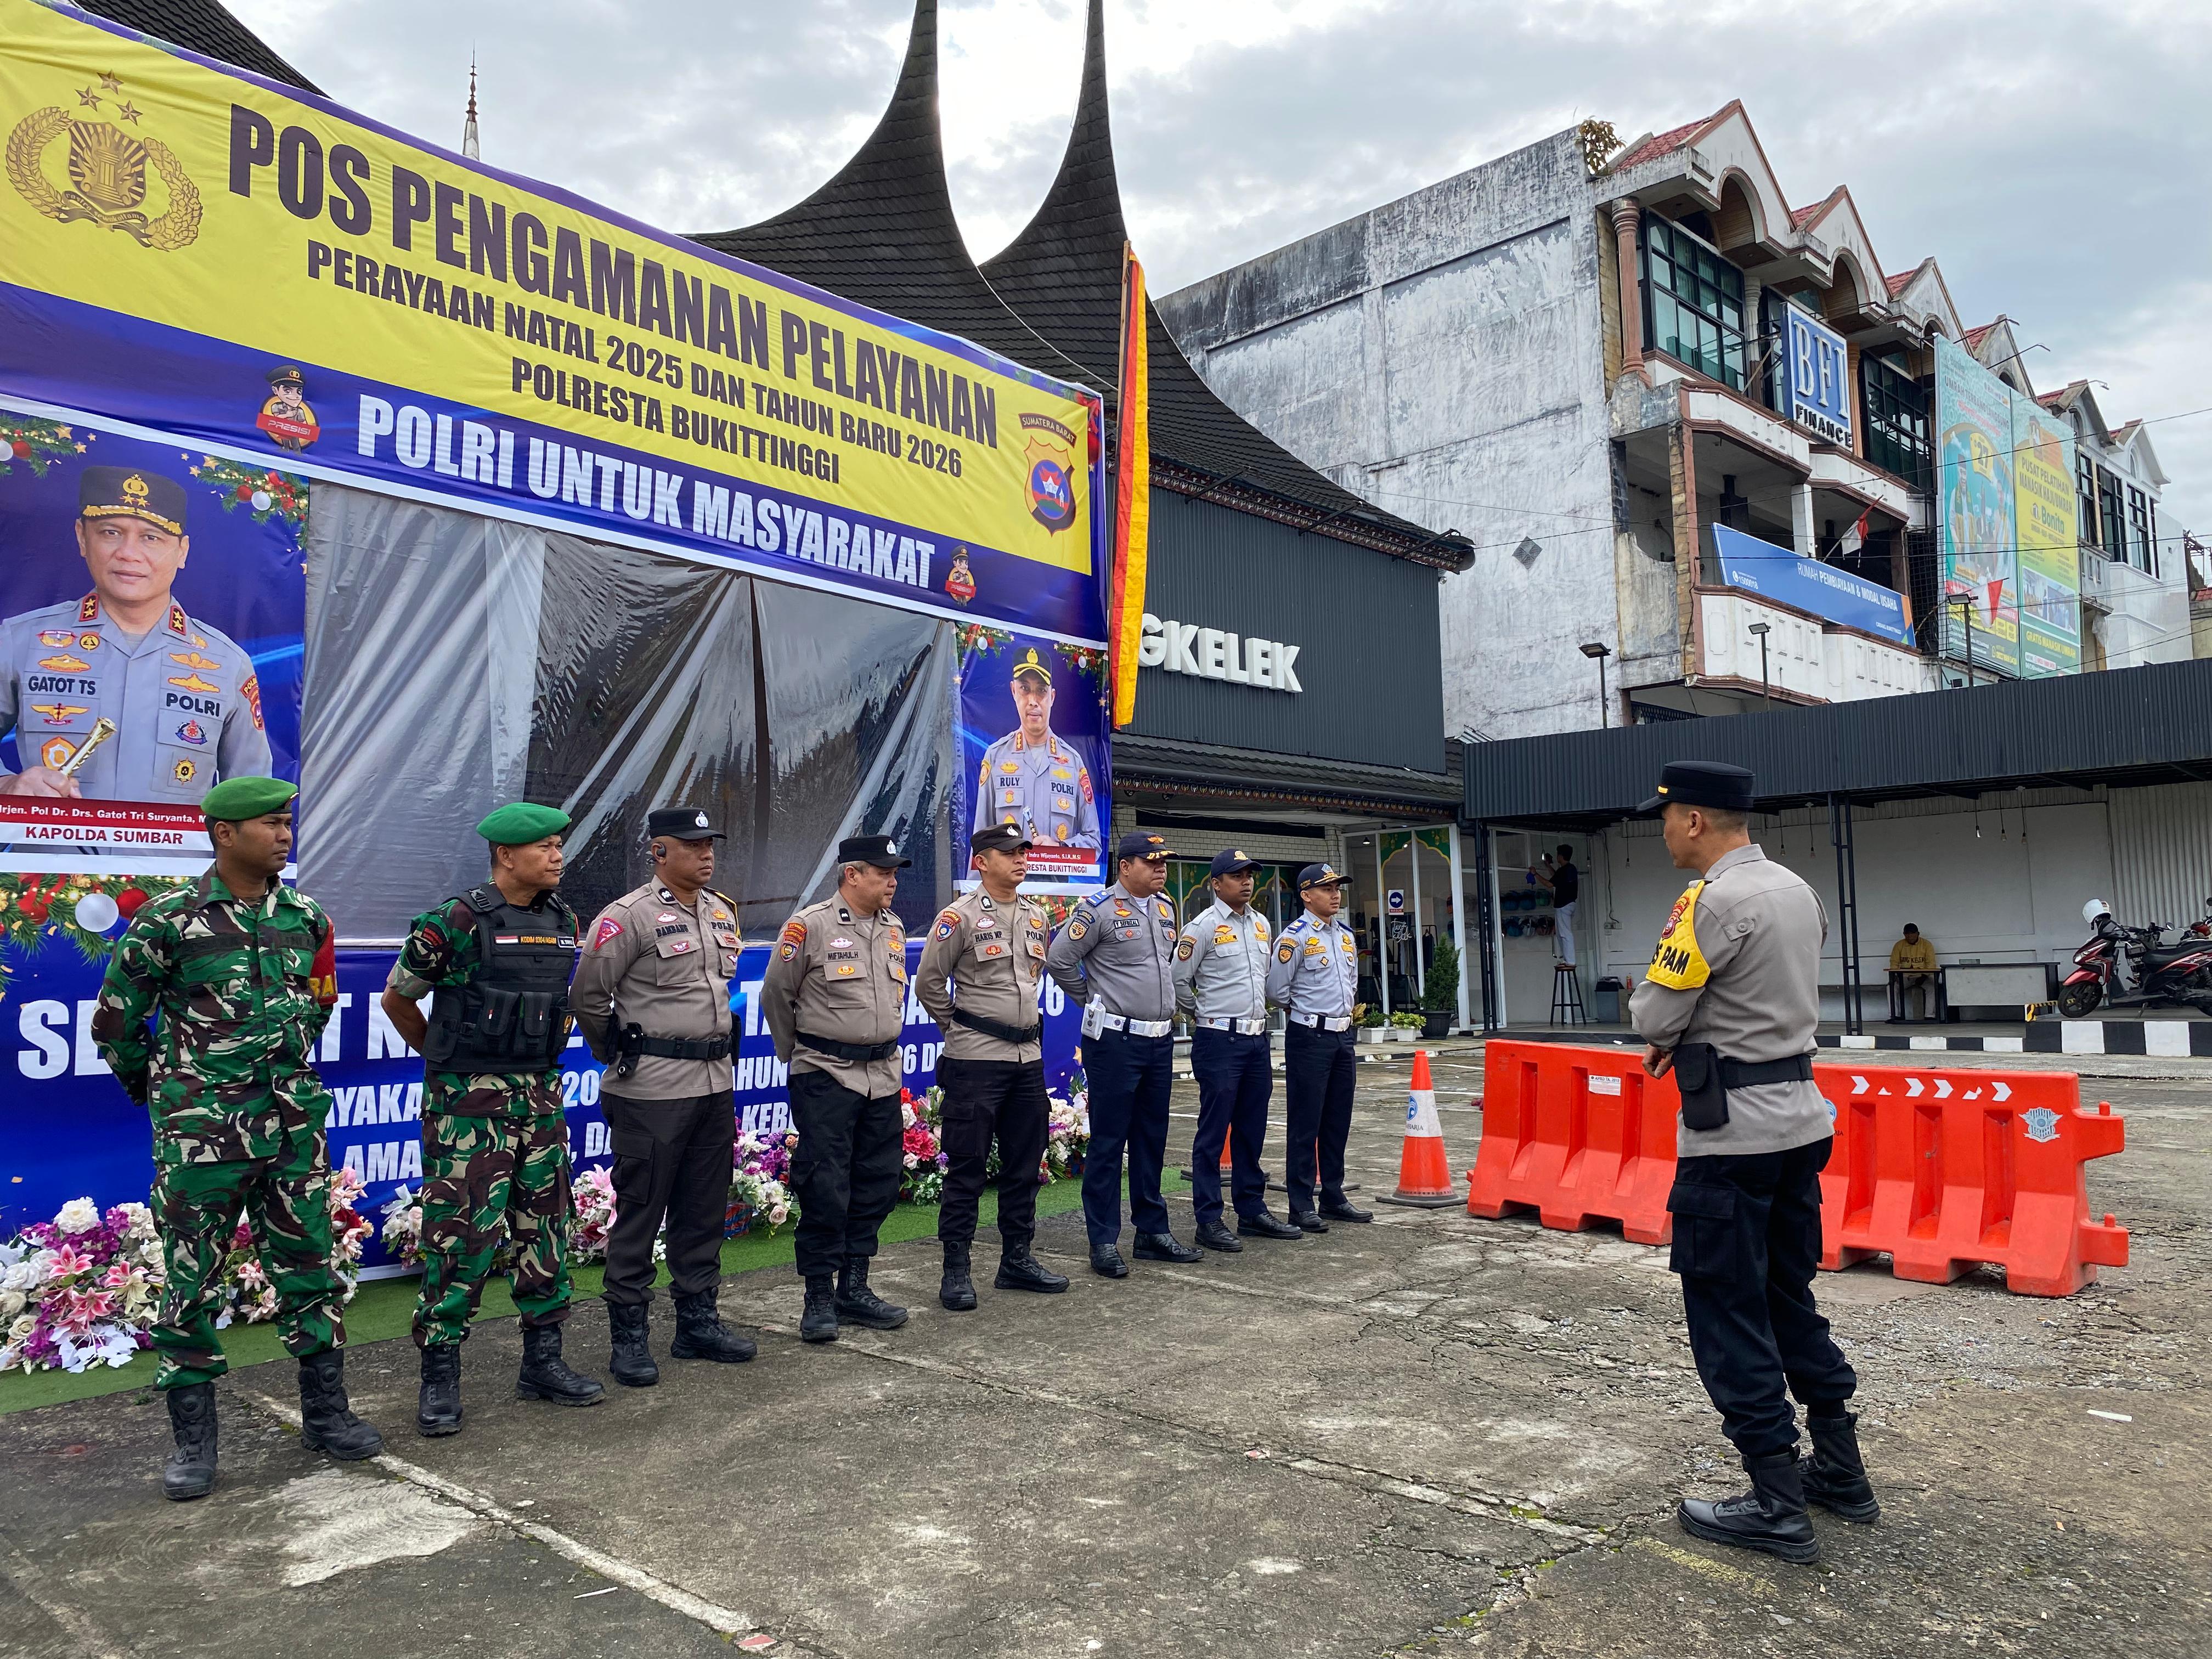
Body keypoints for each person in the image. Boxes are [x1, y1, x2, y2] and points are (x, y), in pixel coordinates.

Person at [91, 776, 381, 1500]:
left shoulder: (307, 917)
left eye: (288, 823)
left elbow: (319, 1002)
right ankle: (194, 1441)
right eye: (271, 824)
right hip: (203, 1137)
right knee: (190, 1284)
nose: (285, 835)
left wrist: (283, 1066)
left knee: (310, 1269)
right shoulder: (169, 921)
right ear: (224, 833)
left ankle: (327, 1415)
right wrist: (164, 1091)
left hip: (290, 1131)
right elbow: (118, 1022)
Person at [1629, 761, 1875, 1564]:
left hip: (1730, 1137)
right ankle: (1839, 1469)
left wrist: (1677, 1033)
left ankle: (1775, 1501)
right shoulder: (1797, 890)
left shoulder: (1713, 902)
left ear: (1694, 821)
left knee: (1729, 1315)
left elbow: (1652, 1015)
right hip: (1800, 1122)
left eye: (1666, 818)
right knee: (1785, 1298)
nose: (1662, 830)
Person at [380, 802, 602, 1436]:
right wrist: (446, 1062)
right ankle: (441, 1376)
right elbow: (398, 997)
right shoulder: (453, 921)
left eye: (560, 845)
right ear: (507, 856)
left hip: (538, 1098)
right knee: (461, 1238)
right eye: (546, 847)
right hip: (467, 1111)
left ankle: (543, 1363)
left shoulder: (564, 920)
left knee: (547, 1227)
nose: (558, 855)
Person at [569, 806, 756, 1386]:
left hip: (713, 1083)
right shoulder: (627, 918)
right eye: (693, 845)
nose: (706, 854)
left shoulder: (723, 913)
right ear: (659, 853)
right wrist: (624, 1055)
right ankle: (629, 1338)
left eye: (711, 845)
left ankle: (696, 1324)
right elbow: (588, 999)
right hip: (650, 1089)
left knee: (703, 1210)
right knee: (642, 1211)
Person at [0, 466, 271, 801]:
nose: (129, 553)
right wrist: (6, 785)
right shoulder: (20, 640)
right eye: (111, 532)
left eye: (151, 537)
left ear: (182, 552)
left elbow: (251, 796)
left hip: (173, 855)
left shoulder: (228, 664)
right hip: (48, 852)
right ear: (83, 538)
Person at [759, 834, 913, 1343]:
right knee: (825, 1187)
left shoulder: (893, 928)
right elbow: (777, 996)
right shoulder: (810, 926)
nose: (893, 880)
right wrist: (800, 1057)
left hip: (882, 1076)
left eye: (894, 872)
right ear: (852, 875)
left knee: (879, 1182)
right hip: (826, 1074)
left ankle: (855, 1288)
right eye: (883, 871)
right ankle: (819, 1297)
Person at [915, 821, 1070, 1310]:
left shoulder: (1035, 916)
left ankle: (1016, 1260)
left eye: (1023, 850)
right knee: (967, 1169)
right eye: (1008, 852)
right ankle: (956, 1270)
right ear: (982, 861)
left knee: (1026, 1166)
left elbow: (1032, 976)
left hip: (1028, 1060)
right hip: (977, 1063)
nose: (1021, 858)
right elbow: (929, 984)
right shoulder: (958, 918)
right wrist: (960, 1031)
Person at [1047, 831, 1187, 1270]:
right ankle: (1103, 1240)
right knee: (1109, 1141)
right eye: (1152, 861)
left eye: (1164, 861)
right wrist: (1091, 1000)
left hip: (1159, 1039)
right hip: (1115, 1041)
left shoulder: (1166, 909)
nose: (1161, 868)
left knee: (1152, 1138)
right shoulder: (1098, 910)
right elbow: (1059, 959)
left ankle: (1153, 1231)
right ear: (1125, 867)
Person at [1173, 850, 1302, 1247]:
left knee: (1251, 1128)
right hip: (1219, 1040)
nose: (1246, 882)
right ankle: (1208, 1219)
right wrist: (1202, 1016)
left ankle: (1251, 1210)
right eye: (1236, 875)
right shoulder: (1203, 927)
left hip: (1256, 1040)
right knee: (1213, 1132)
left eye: (1250, 875)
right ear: (1216, 883)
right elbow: (1178, 981)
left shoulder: (1262, 925)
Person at [1267, 863, 1372, 1228]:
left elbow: (1350, 984)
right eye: (1327, 888)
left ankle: (1333, 1194)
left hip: (1343, 1037)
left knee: (1337, 1119)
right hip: (1309, 1036)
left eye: (1338, 887)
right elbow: (1276, 990)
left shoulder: (1344, 935)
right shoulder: (1293, 937)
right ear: (1307, 895)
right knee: (1305, 1121)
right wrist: (1309, 1013)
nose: (1335, 894)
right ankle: (1301, 1203)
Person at [970, 647, 1099, 852]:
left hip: (1056, 883)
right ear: (1013, 691)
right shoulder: (996, 757)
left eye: (1041, 690)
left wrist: (1059, 847)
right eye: (1025, 689)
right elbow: (980, 841)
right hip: (1008, 884)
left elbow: (1094, 842)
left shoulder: (1073, 762)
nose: (1033, 701)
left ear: (1052, 697)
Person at [1533, 844, 1580, 967]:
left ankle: (1570, 961)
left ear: (1561, 856)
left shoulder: (1565, 870)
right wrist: (1548, 865)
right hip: (1569, 904)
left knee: (1565, 933)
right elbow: (1556, 878)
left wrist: (1535, 874)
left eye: (1558, 854)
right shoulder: (1570, 869)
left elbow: (1550, 884)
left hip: (1563, 905)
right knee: (1561, 933)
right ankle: (1566, 959)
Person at [1886, 924, 1938, 1023]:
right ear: (1904, 934)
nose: (1910, 936)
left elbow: (1931, 964)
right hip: (1905, 976)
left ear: (1918, 934)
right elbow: (1894, 963)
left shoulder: (1927, 945)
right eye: (1907, 934)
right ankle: (1894, 1015)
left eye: (1912, 933)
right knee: (1891, 987)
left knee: (1932, 986)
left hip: (1922, 975)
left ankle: (1930, 1016)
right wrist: (1895, 976)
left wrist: (1924, 976)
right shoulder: (1899, 945)